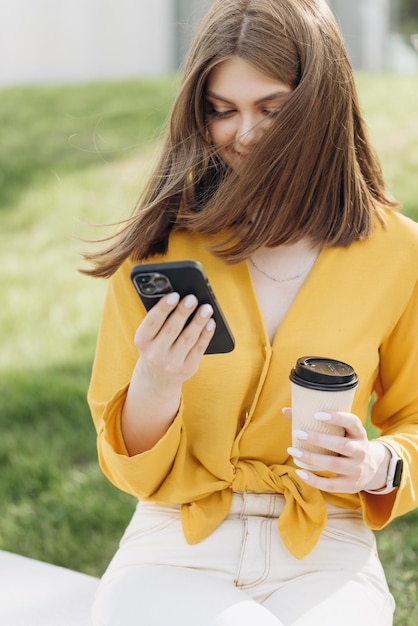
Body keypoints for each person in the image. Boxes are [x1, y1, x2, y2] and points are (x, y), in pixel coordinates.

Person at [84, 1, 418, 624]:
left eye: (273, 109)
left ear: (324, 103)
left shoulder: (399, 252)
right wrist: (156, 381)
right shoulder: (159, 250)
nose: (245, 134)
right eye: (222, 110)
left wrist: (377, 464)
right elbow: (126, 464)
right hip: (176, 539)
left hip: (326, 544)